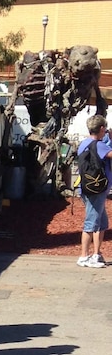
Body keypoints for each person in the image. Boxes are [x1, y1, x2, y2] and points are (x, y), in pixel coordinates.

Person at [76, 113, 111, 268]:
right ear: (101, 128)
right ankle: (83, 256)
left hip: (88, 186)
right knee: (91, 222)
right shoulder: (99, 145)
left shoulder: (84, 143)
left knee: (102, 222)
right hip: (97, 188)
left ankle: (96, 254)